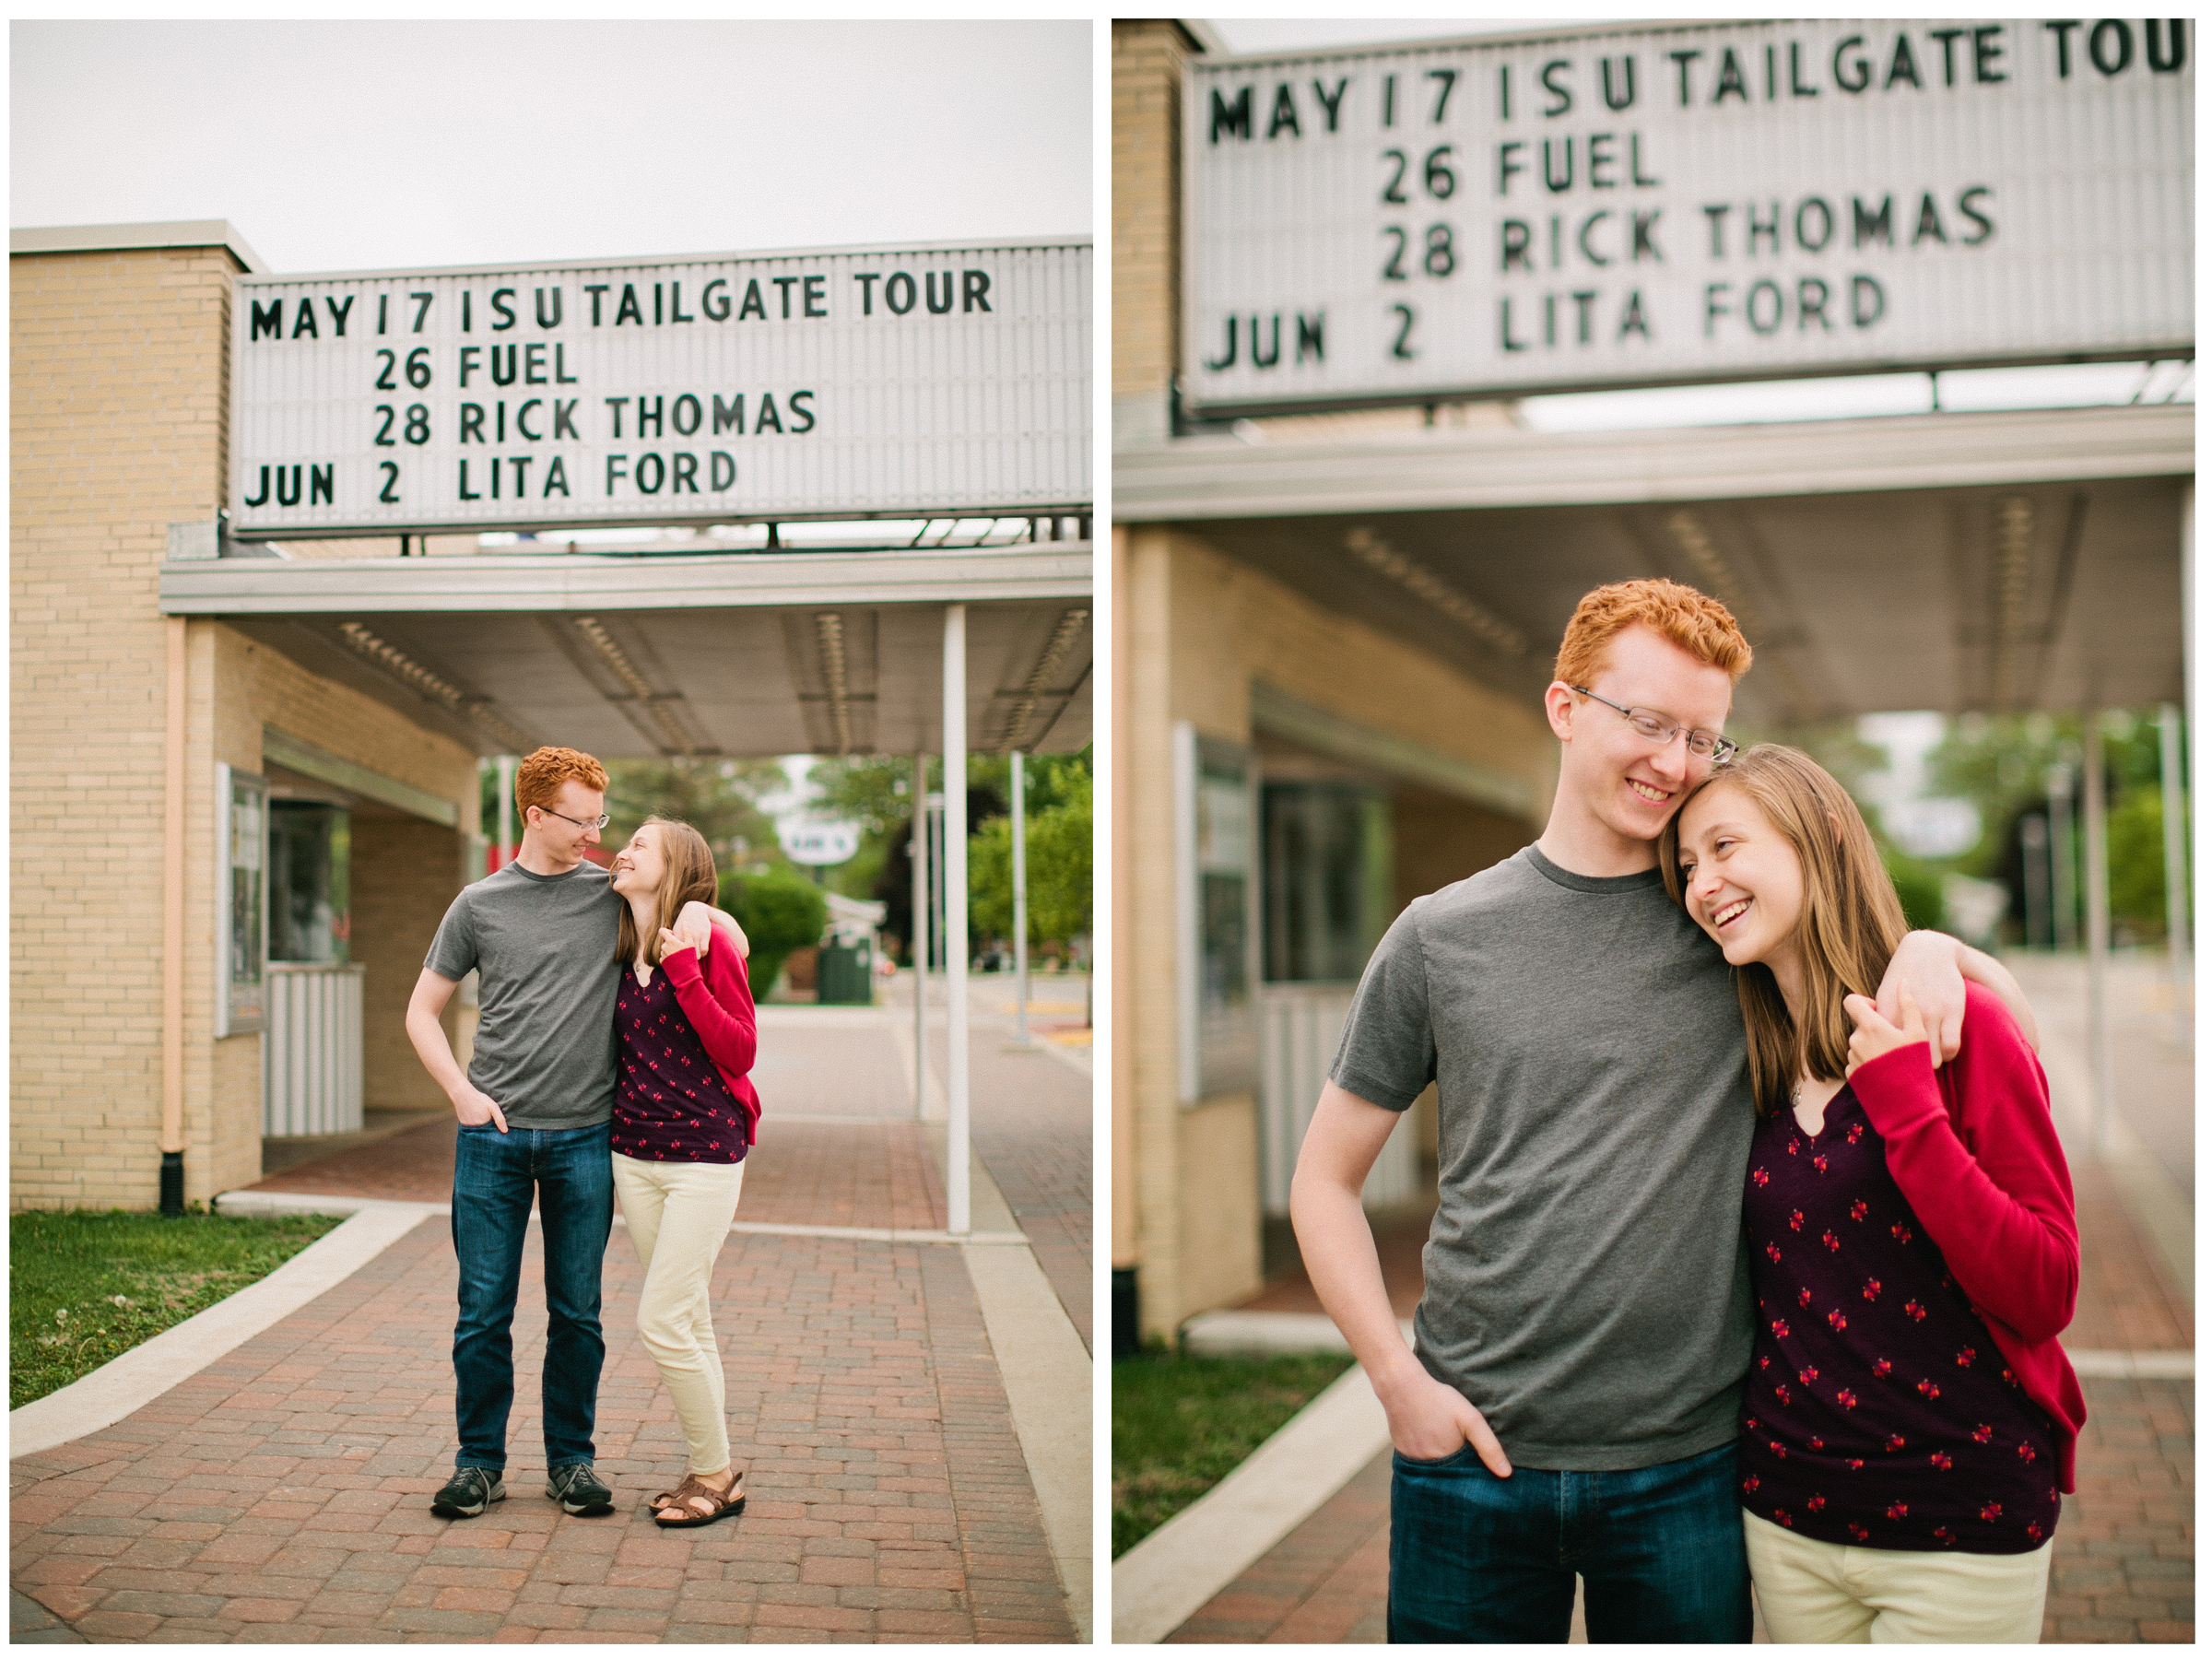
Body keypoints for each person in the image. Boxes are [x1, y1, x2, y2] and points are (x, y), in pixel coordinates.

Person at [1288, 579, 2042, 1644]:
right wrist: (1393, 1381)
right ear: (1564, 708)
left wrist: (1935, 948)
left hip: (1691, 1468)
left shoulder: (1725, 917)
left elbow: (1910, 970)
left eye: (1705, 736)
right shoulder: (1437, 938)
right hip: (1467, 1455)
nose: (1677, 761)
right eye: (1648, 721)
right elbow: (1323, 1182)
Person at [1665, 744, 2083, 1642]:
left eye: (1726, 846)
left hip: (1960, 1521)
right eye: (1689, 865)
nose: (1703, 883)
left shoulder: (1968, 1032)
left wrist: (1908, 1108)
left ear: (1818, 832)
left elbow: (2044, 1290)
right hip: (1787, 1517)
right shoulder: (1744, 1062)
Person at [406, 747, 739, 1521]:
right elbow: (422, 1009)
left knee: (577, 1311)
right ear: (534, 815)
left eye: (602, 819)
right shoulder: (478, 903)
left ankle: (572, 1463)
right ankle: (478, 1463)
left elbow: (699, 910)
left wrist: (704, 915)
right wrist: (458, 1092)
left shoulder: (612, 895)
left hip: (589, 1138)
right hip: (491, 1136)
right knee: (483, 1310)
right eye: (581, 820)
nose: (597, 835)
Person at [606, 817, 761, 1527]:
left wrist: (686, 969)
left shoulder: (708, 937)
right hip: (633, 1156)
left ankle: (715, 1473)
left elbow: (740, 1050)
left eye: (641, 844)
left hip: (703, 1154)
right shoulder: (617, 940)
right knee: (689, 1315)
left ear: (676, 867)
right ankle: (715, 1469)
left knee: (662, 1318)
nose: (623, 850)